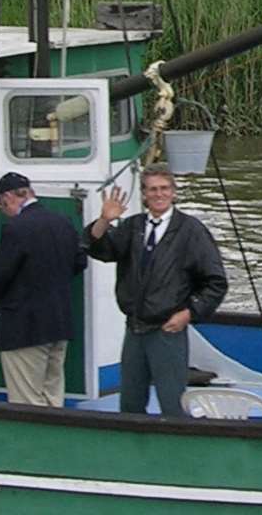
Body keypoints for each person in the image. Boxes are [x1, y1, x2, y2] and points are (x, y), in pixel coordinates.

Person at [84, 164, 228, 417]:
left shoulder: (191, 231)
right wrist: (105, 220)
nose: (158, 194)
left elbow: (215, 282)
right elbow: (98, 248)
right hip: (135, 328)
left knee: (172, 403)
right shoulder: (132, 227)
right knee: (130, 402)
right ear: (144, 194)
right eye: (152, 190)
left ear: (173, 192)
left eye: (164, 189)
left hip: (168, 330)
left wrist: (189, 313)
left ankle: (176, 450)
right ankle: (134, 450)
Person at [0, 172, 87, 406]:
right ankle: (54, 442)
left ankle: (33, 443)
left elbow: (0, 274)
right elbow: (80, 262)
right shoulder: (63, 221)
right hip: (59, 323)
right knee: (53, 396)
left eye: (1, 205)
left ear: (8, 197)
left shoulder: (16, 228)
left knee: (26, 401)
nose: (3, 210)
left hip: (24, 326)